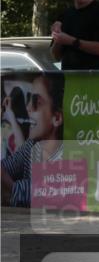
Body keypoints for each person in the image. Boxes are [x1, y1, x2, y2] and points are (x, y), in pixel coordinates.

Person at [1, 73, 65, 207]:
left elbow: (42, 192)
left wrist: (11, 188)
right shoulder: (32, 146)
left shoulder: (66, 158)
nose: (28, 108)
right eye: (29, 99)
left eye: (36, 102)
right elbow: (8, 167)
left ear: (57, 118)